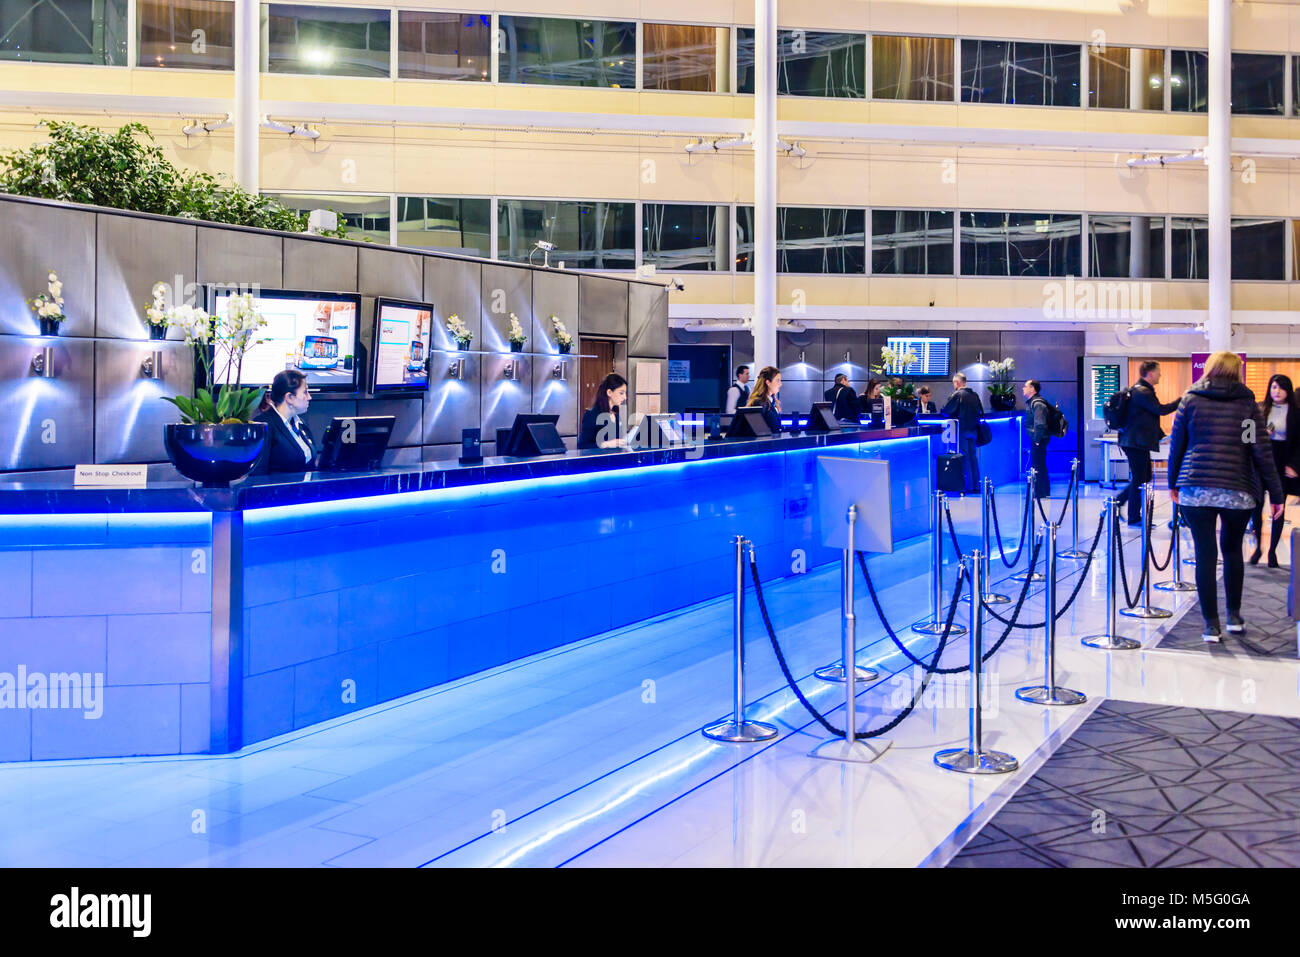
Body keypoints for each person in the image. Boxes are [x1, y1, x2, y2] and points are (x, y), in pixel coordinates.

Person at [1168, 350, 1284, 642]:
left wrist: (1173, 483)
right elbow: (1259, 450)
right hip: (1237, 487)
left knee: (1205, 555)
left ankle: (1210, 625)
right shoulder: (1247, 405)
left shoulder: (1190, 400)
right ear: (1237, 372)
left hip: (1195, 487)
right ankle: (1233, 615)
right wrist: (1277, 493)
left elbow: (1177, 446)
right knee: (1232, 551)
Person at [1115, 360, 1181, 527]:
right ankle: (1131, 515)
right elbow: (1160, 410)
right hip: (1134, 443)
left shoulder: (1141, 390)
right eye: (1158, 372)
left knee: (1144, 478)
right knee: (1140, 479)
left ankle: (1122, 505)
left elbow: (1146, 418)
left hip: (1136, 442)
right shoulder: (1142, 392)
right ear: (1150, 373)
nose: (1160, 375)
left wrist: (1162, 436)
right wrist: (1182, 400)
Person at [1249, 373, 1300, 566]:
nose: (1276, 391)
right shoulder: (1259, 409)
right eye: (1273, 387)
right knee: (1256, 506)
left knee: (1279, 508)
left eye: (1280, 387)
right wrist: (1261, 433)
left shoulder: (1296, 413)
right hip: (1261, 461)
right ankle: (1258, 547)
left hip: (1283, 463)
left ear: (1288, 390)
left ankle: (1272, 551)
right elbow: (1246, 437)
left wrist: (1294, 465)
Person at [253, 369, 317, 473]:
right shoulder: (264, 425)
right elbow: (259, 474)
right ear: (289, 397)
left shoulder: (301, 424)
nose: (309, 397)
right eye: (305, 392)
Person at [941, 372, 984, 493]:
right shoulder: (974, 395)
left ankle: (967, 486)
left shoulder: (958, 395)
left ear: (957, 382)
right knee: (973, 457)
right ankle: (976, 485)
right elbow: (980, 411)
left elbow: (947, 411)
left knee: (965, 458)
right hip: (974, 431)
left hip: (962, 430)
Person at [577, 373, 629, 449]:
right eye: (621, 393)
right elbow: (583, 446)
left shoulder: (616, 415)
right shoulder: (592, 415)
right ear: (609, 392)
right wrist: (606, 444)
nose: (625, 397)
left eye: (625, 393)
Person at [1023, 379, 1052, 499]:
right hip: (1039, 438)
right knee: (1040, 464)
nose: (1023, 388)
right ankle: (1043, 491)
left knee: (1038, 464)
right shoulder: (1033, 402)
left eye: (1026, 386)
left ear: (1032, 389)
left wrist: (1037, 439)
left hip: (1039, 438)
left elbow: (1040, 423)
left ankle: (1040, 492)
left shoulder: (1037, 403)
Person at [745, 365, 783, 434]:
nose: (780, 384)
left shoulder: (772, 402)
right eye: (778, 380)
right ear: (768, 382)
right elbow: (757, 432)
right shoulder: (758, 403)